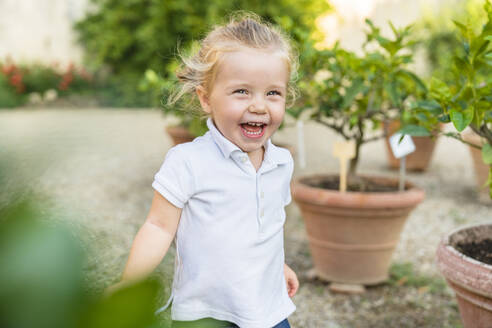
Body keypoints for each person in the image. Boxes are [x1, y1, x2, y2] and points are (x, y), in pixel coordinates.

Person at [108, 12, 300, 328]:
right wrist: (128, 284)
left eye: (272, 93)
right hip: (205, 312)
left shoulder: (281, 162)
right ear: (206, 98)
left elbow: (266, 225)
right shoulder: (188, 162)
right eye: (242, 91)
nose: (259, 106)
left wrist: (277, 266)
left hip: (267, 309)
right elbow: (158, 226)